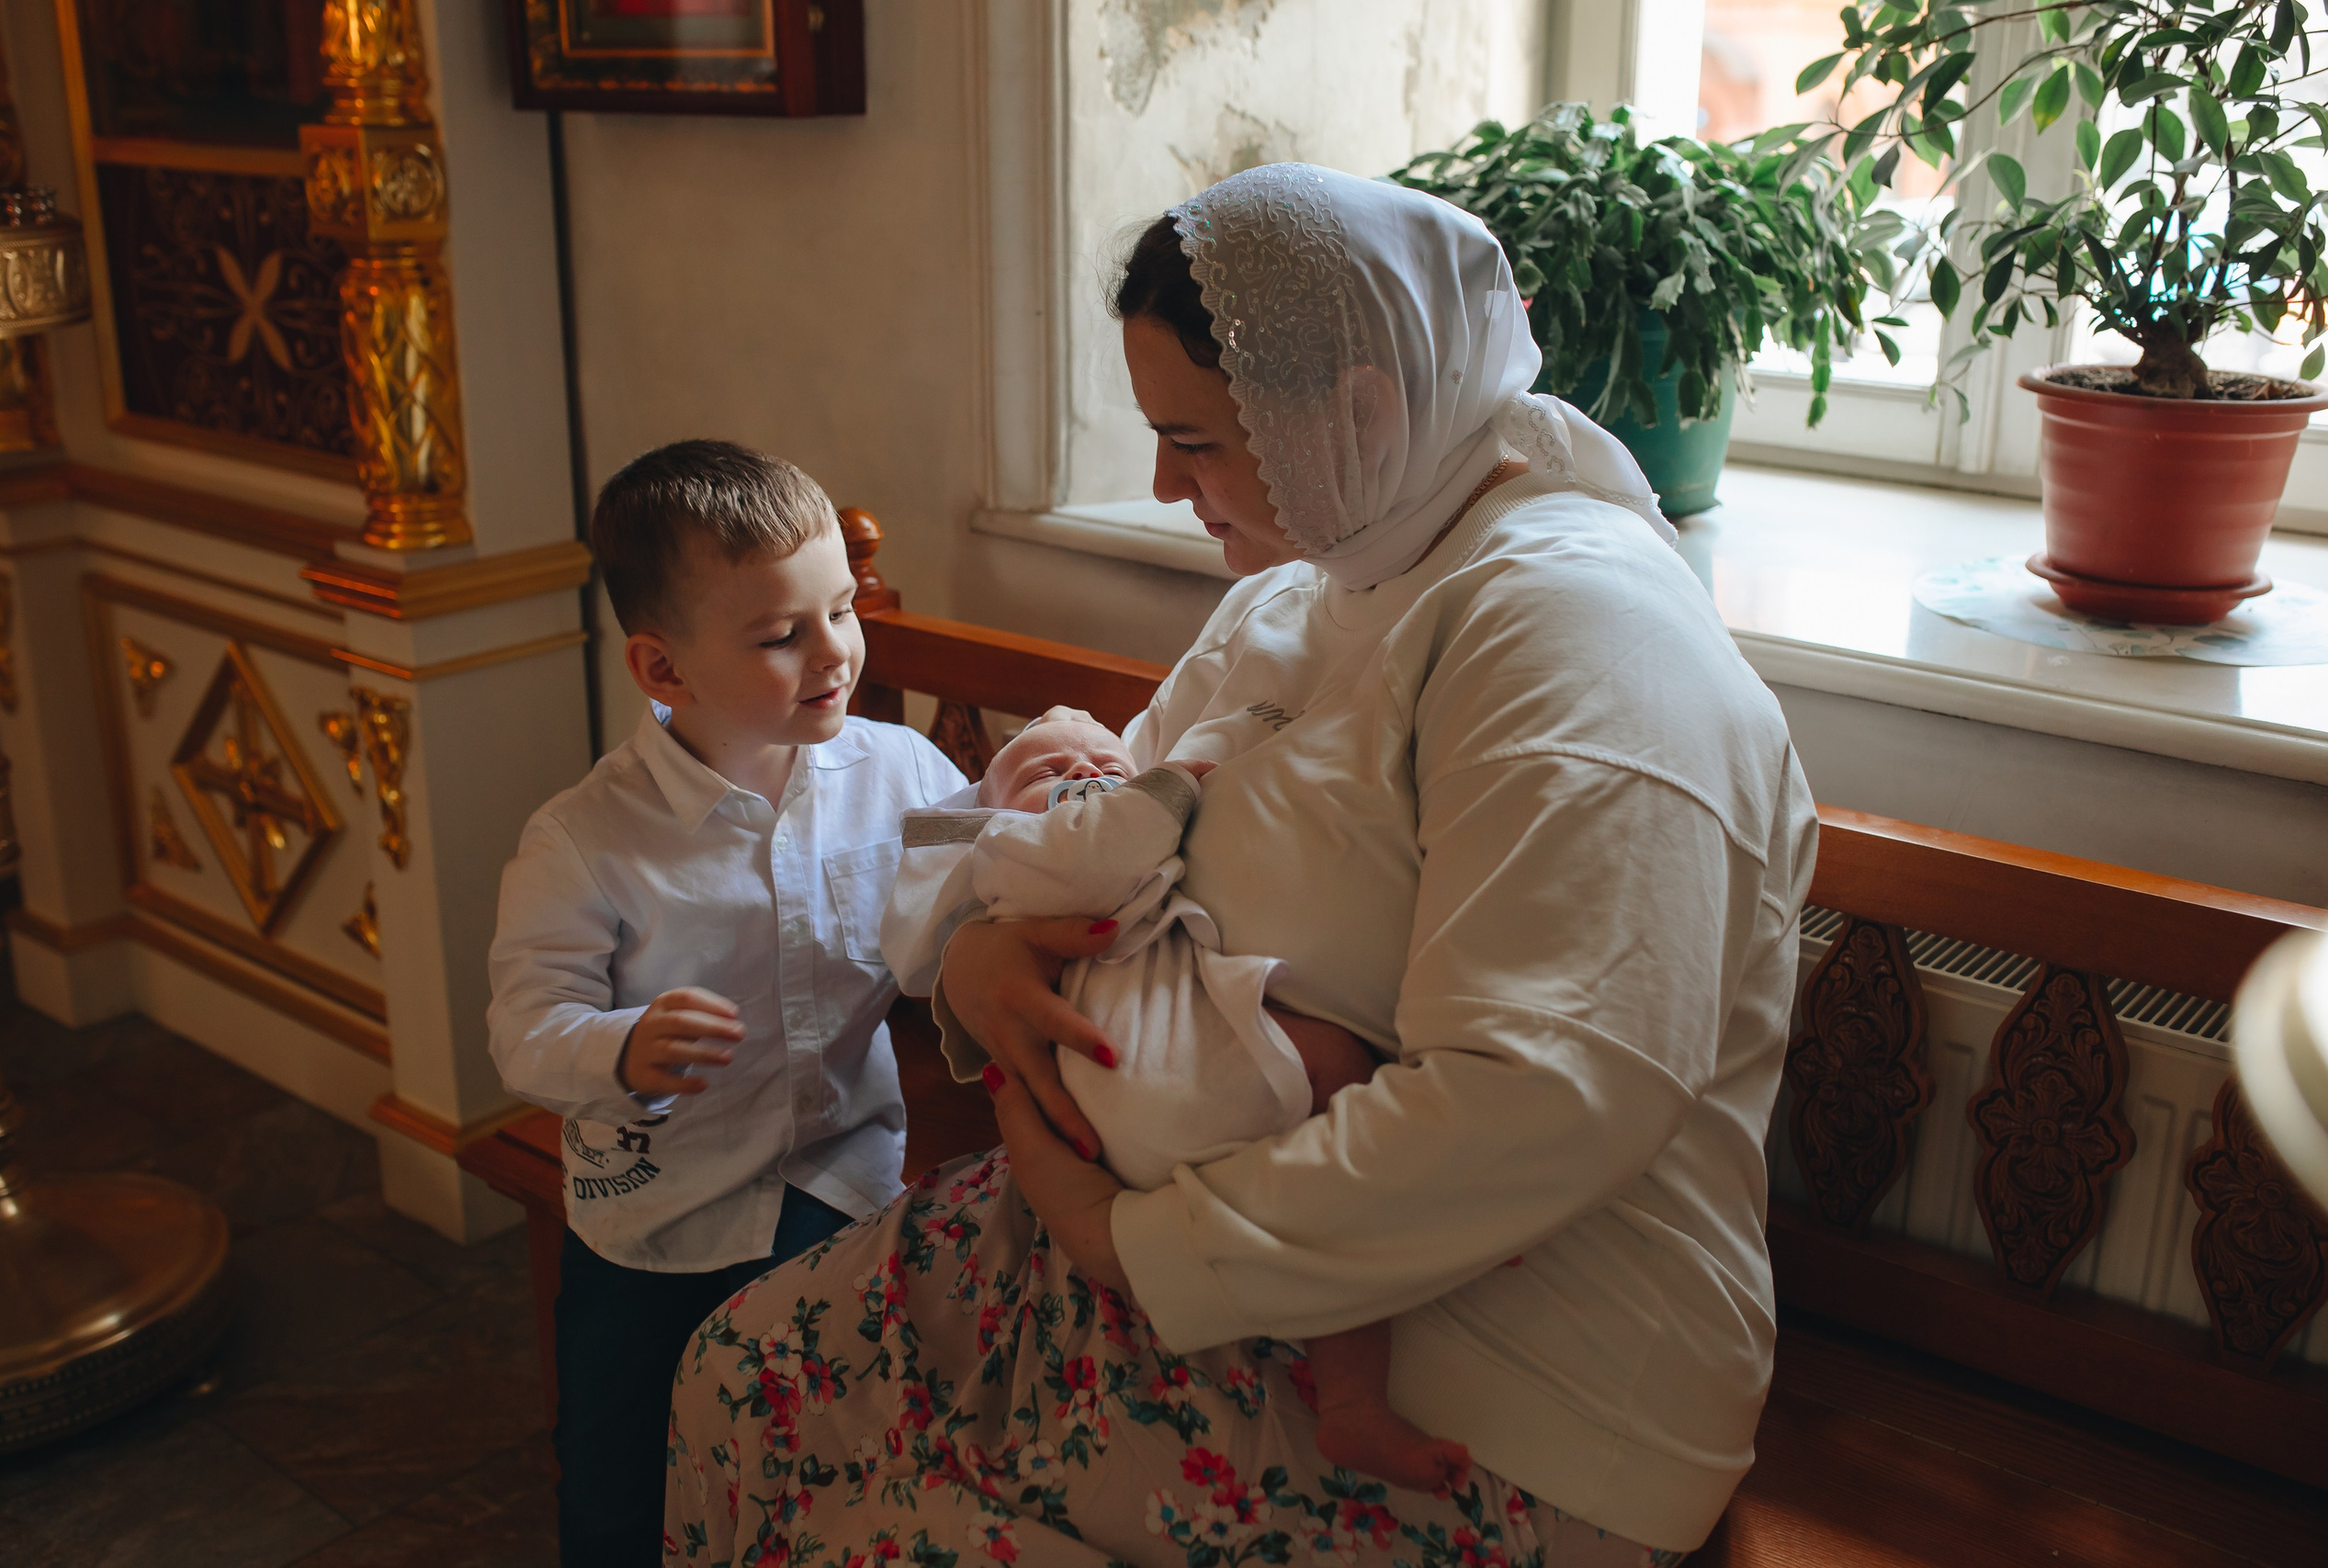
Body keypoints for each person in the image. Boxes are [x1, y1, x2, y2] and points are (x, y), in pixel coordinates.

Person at [665, 165, 1816, 1566]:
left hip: (1504, 1377)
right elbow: (1089, 833)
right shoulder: (1304, 584)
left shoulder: (1583, 640)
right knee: (736, 1373)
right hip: (1162, 1230)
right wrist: (976, 952)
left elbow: (1550, 1095)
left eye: (1195, 440)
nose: (1162, 483)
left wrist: (1118, 1241)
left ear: (1361, 410)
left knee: (873, 1537)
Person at [487, 440, 966, 1566]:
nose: (835, 652)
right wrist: (621, 1048)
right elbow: (525, 1027)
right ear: (662, 671)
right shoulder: (585, 841)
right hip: (658, 1215)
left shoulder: (899, 773)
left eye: (841, 610)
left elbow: (967, 910)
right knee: (618, 1477)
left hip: (839, 1180)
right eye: (780, 636)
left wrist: (1035, 805)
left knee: (823, 1460)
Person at [885, 715, 1470, 1491]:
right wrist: (1170, 785)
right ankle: (1433, 1210)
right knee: (1343, 1076)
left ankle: (1353, 1401)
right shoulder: (1013, 855)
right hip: (1141, 1067)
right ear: (987, 816)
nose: (1084, 771)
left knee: (1335, 1162)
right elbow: (1103, 848)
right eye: (1043, 770)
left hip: (1139, 1091)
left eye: (1105, 759)